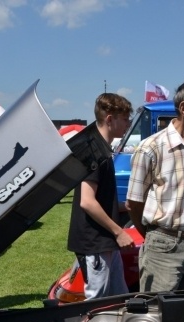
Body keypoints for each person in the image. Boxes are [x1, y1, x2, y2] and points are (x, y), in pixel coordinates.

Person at [126, 78, 184, 292]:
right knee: (158, 308)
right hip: (163, 245)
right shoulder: (151, 148)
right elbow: (134, 204)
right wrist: (156, 237)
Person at [67, 94, 135, 299]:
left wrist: (126, 206)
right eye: (125, 119)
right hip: (96, 242)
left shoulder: (102, 149)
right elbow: (87, 201)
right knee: (95, 302)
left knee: (119, 298)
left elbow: (101, 200)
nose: (128, 124)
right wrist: (119, 232)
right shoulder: (95, 153)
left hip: (105, 242)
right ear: (110, 119)